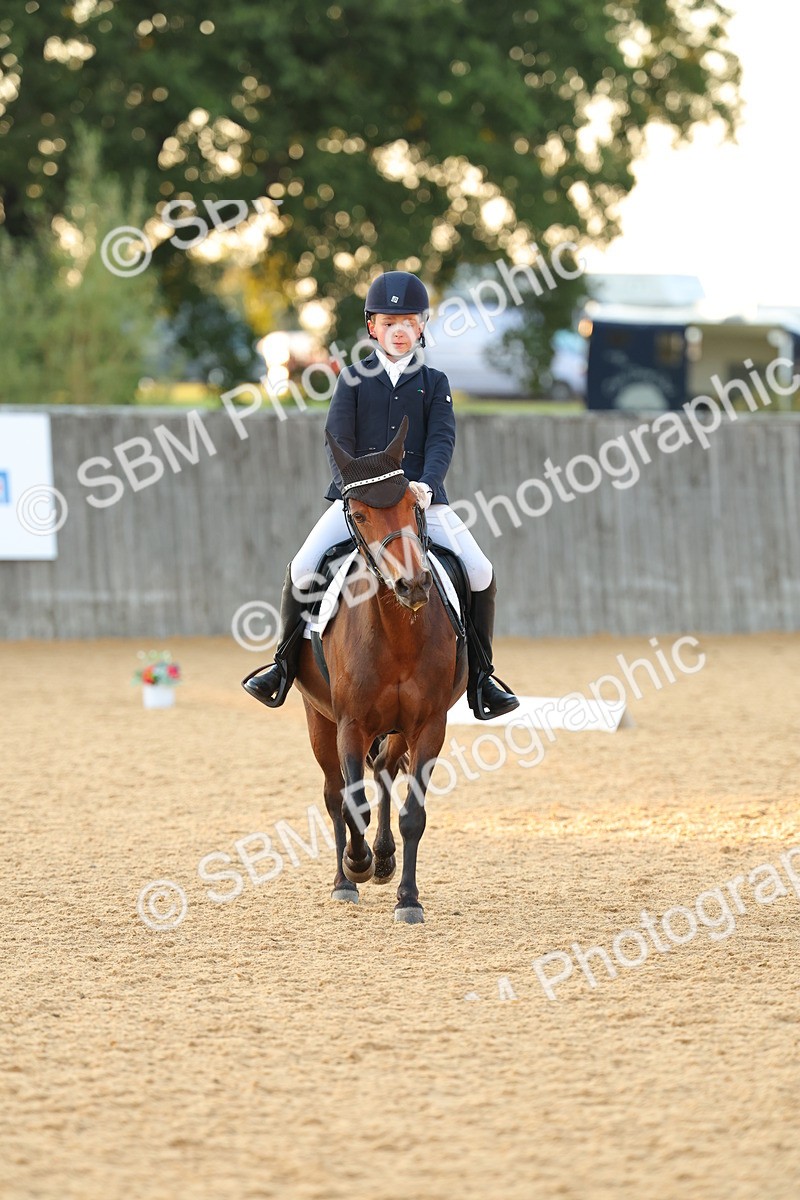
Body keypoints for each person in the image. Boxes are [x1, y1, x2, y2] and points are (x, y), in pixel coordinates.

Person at [242, 269, 519, 720]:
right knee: (304, 567)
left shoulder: (435, 382)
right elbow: (337, 439)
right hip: (359, 503)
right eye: (389, 322)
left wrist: (427, 484)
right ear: (373, 326)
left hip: (420, 501)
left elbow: (441, 441)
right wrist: (356, 491)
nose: (399, 330)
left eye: (409, 321)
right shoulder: (352, 379)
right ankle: (282, 666)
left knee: (480, 570)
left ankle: (482, 678)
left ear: (422, 326)